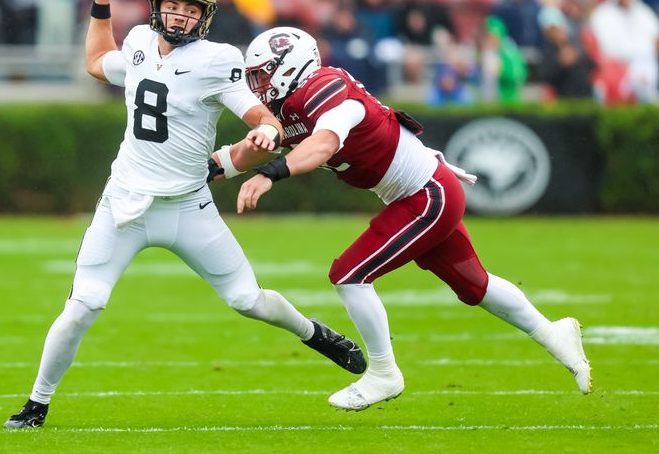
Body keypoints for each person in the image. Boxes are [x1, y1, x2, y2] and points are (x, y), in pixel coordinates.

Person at [3, 0, 366, 428]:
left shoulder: (217, 60)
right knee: (83, 305)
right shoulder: (135, 42)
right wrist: (101, 1)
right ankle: (37, 404)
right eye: (172, 6)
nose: (178, 16)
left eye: (189, 9)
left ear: (204, 17)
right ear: (157, 8)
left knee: (246, 300)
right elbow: (97, 62)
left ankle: (314, 334)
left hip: (189, 205)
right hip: (125, 205)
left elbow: (260, 115)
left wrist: (268, 133)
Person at [226, 26, 591, 411]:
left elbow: (324, 144)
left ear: (290, 68)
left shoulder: (324, 87)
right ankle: (554, 332)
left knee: (349, 275)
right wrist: (202, 170)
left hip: (425, 194)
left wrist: (271, 173)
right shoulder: (290, 109)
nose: (259, 86)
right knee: (473, 285)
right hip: (424, 191)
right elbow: (243, 154)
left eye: (264, 75)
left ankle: (384, 373)